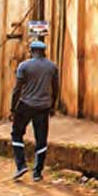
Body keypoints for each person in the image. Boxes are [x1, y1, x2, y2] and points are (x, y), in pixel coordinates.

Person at [9, 40, 59, 182]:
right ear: (44, 51)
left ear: (31, 51)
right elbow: (55, 88)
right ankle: (37, 173)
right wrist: (52, 105)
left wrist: (13, 108)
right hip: (43, 107)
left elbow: (17, 89)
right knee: (41, 140)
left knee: (16, 134)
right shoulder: (52, 67)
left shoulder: (24, 66)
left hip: (25, 105)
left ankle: (21, 165)